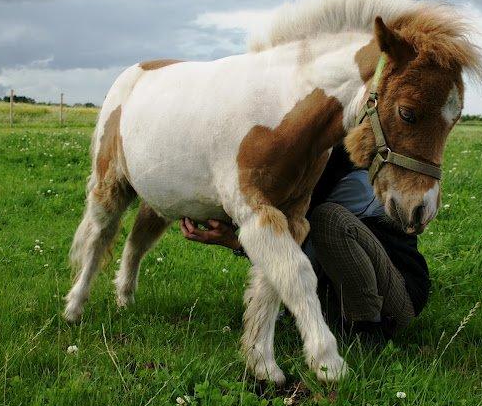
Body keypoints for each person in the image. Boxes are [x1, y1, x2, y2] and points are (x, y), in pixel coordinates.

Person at [180, 144, 430, 343]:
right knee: (312, 228)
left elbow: (303, 235)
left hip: (396, 299)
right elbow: (292, 247)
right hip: (334, 305)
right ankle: (338, 323)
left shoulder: (359, 170)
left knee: (329, 219)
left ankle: (368, 332)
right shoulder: (304, 174)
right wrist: (234, 240)